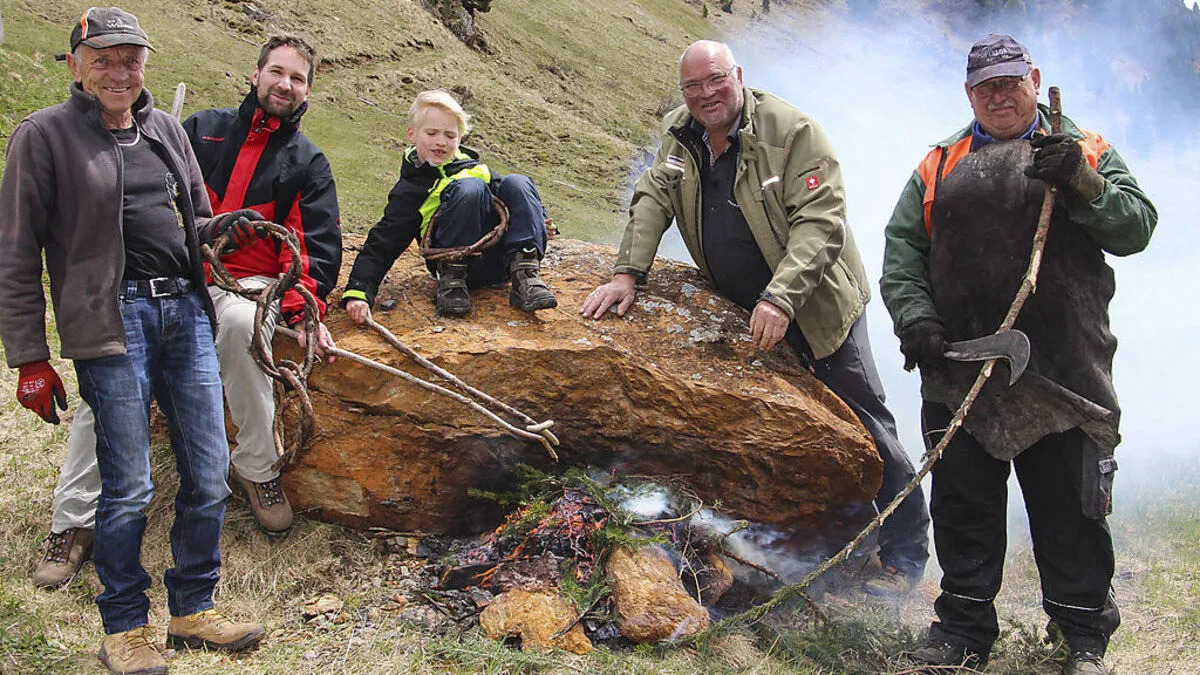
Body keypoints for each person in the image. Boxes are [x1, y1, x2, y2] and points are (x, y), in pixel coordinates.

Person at [580, 39, 930, 596]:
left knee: (864, 424)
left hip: (815, 308)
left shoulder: (792, 133)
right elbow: (652, 197)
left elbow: (821, 222)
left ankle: (905, 555)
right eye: (692, 86)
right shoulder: (680, 133)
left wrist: (781, 298)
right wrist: (628, 273)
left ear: (737, 75)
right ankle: (831, 539)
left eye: (715, 80)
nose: (704, 95)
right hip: (742, 310)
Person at [880, 34, 1156, 675]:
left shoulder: (1083, 149)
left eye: (1010, 82)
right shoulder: (938, 163)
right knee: (963, 507)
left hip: (1064, 371)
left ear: (1034, 79)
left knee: (1069, 511)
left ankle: (1081, 641)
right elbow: (903, 252)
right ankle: (963, 633)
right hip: (961, 371)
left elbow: (1137, 228)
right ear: (968, 93)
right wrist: (916, 318)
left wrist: (1083, 183)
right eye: (985, 86)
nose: (999, 95)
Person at [0, 8, 265, 673]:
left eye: (132, 59)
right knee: (129, 485)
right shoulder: (44, 136)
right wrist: (29, 356)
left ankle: (192, 607)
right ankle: (124, 624)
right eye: (104, 58)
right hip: (110, 322)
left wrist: (223, 231)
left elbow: (197, 221)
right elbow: (15, 252)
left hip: (185, 313)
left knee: (207, 470)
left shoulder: (165, 129)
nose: (120, 72)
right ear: (75, 65)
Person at [30, 34, 343, 590]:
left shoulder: (308, 161)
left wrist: (299, 306)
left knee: (244, 330)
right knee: (110, 370)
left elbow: (314, 248)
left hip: (245, 283)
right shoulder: (197, 129)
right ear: (255, 74)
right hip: (170, 275)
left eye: (296, 78)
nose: (284, 84)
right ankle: (74, 521)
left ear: (308, 90)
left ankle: (256, 469)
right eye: (276, 72)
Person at [341, 89, 556, 320]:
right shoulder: (411, 191)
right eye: (431, 133)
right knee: (470, 188)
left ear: (460, 139)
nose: (441, 142)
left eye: (450, 135)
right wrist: (359, 291)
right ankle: (452, 280)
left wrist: (539, 221)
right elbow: (383, 242)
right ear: (412, 135)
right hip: (457, 272)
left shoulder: (475, 167)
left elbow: (517, 199)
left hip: (503, 262)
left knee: (518, 182)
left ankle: (526, 275)